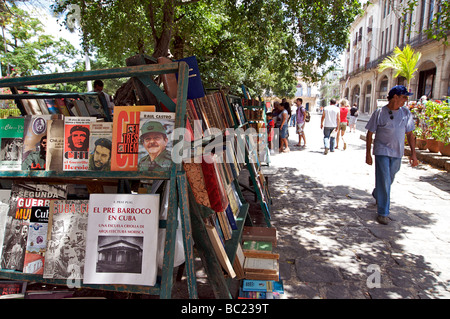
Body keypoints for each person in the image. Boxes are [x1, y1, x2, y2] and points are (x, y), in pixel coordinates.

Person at [365, 85, 418, 225]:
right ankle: (383, 212)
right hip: (381, 151)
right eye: (404, 97)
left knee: (389, 178)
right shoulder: (379, 112)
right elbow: (370, 133)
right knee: (384, 179)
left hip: (397, 152)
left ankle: (378, 193)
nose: (405, 100)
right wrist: (368, 154)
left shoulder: (406, 113)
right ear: (395, 97)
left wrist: (413, 154)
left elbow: (410, 134)